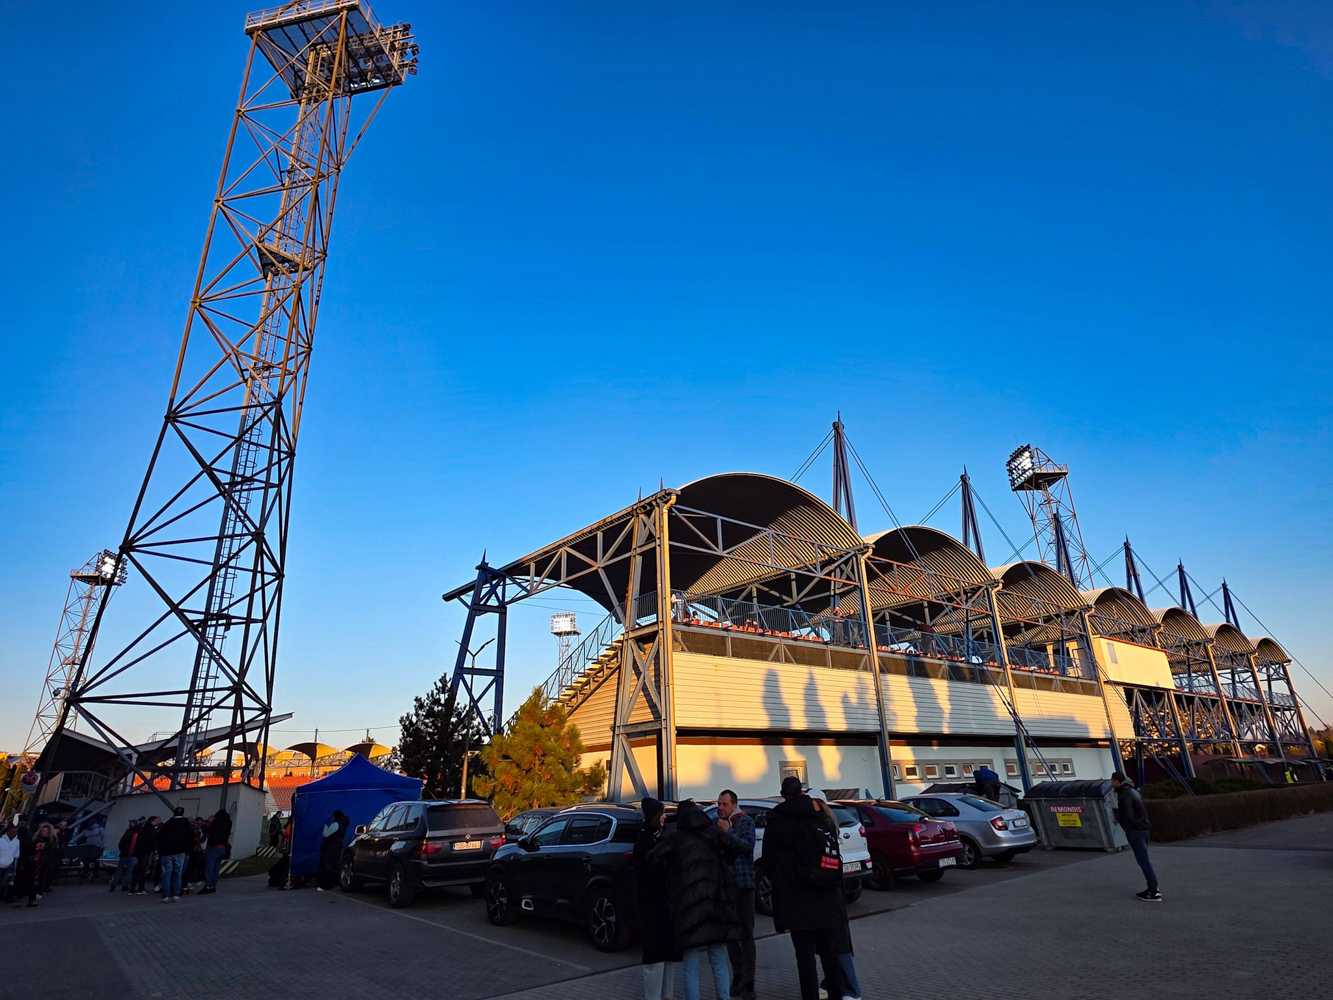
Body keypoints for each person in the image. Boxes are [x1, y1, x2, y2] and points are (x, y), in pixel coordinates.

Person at [761, 778, 847, 1000]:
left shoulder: (777, 820)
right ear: (801, 791)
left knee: (805, 958)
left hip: (795, 899)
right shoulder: (820, 814)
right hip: (826, 896)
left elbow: (768, 862)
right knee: (830, 955)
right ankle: (837, 994)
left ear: (783, 794)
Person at [649, 799, 739, 1000]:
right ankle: (724, 997)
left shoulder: (676, 838)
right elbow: (738, 848)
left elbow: (653, 858)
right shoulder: (713, 833)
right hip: (716, 906)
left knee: (691, 964)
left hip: (688, 909)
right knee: (719, 958)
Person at [808, 791, 862, 1000]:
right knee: (831, 946)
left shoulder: (823, 826)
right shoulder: (828, 824)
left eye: (810, 802)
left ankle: (852, 990)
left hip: (830, 896)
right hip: (830, 894)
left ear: (818, 804)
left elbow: (828, 863)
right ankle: (830, 984)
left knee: (838, 946)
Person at [635, 797, 682, 1000]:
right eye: (661, 814)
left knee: (669, 954)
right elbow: (647, 871)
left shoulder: (660, 836)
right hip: (652, 906)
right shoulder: (644, 841)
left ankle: (667, 995)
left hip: (666, 905)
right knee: (654, 957)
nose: (664, 817)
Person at [716, 790, 756, 1000]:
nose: (720, 808)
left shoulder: (745, 821)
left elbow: (747, 846)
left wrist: (728, 832)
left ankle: (748, 983)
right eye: (719, 804)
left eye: (724, 804)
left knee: (746, 935)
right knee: (731, 935)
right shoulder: (718, 825)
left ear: (733, 804)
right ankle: (738, 977)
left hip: (744, 885)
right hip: (727, 887)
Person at [1110, 771, 1160, 902]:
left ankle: (1153, 891)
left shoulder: (1124, 795)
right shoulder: (1133, 791)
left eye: (1112, 781)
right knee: (1144, 860)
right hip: (1143, 829)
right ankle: (1152, 888)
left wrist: (1121, 820)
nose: (1111, 783)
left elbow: (1129, 815)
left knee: (1143, 861)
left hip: (1135, 831)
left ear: (1117, 781)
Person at [157, 806, 194, 903]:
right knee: (178, 873)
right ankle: (176, 894)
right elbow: (191, 838)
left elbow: (160, 837)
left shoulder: (168, 823)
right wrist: (188, 851)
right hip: (180, 852)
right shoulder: (186, 824)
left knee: (167, 874)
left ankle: (166, 895)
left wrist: (160, 851)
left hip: (167, 852)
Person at [202, 808, 231, 895]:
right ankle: (213, 885)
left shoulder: (216, 823)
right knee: (216, 867)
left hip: (213, 847)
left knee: (209, 867)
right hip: (222, 848)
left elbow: (208, 832)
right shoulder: (228, 823)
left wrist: (209, 822)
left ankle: (208, 886)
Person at [317, 810, 348, 891]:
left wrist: (325, 826)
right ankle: (334, 883)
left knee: (327, 866)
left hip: (330, 847)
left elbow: (326, 834)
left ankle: (325, 885)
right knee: (334, 865)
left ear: (335, 816)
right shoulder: (343, 824)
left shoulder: (335, 824)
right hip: (337, 847)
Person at [109, 820, 140, 893]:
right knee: (129, 871)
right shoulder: (138, 832)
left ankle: (113, 885)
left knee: (119, 870)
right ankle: (125, 885)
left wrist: (122, 850)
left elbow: (121, 843)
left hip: (124, 854)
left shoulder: (127, 832)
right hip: (133, 854)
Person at [131, 817, 158, 894]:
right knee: (143, 870)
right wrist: (155, 850)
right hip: (146, 852)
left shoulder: (143, 829)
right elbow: (153, 840)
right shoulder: (151, 829)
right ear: (152, 821)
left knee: (137, 870)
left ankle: (133, 888)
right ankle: (141, 888)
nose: (157, 822)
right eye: (156, 821)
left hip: (140, 852)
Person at [0, 822, 19, 903]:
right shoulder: (1, 840)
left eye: (15, 832)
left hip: (9, 865)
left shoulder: (17, 841)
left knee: (6, 882)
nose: (14, 833)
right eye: (12, 831)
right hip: (0, 865)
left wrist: (14, 867)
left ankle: (5, 896)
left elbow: (15, 855)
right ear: (8, 831)